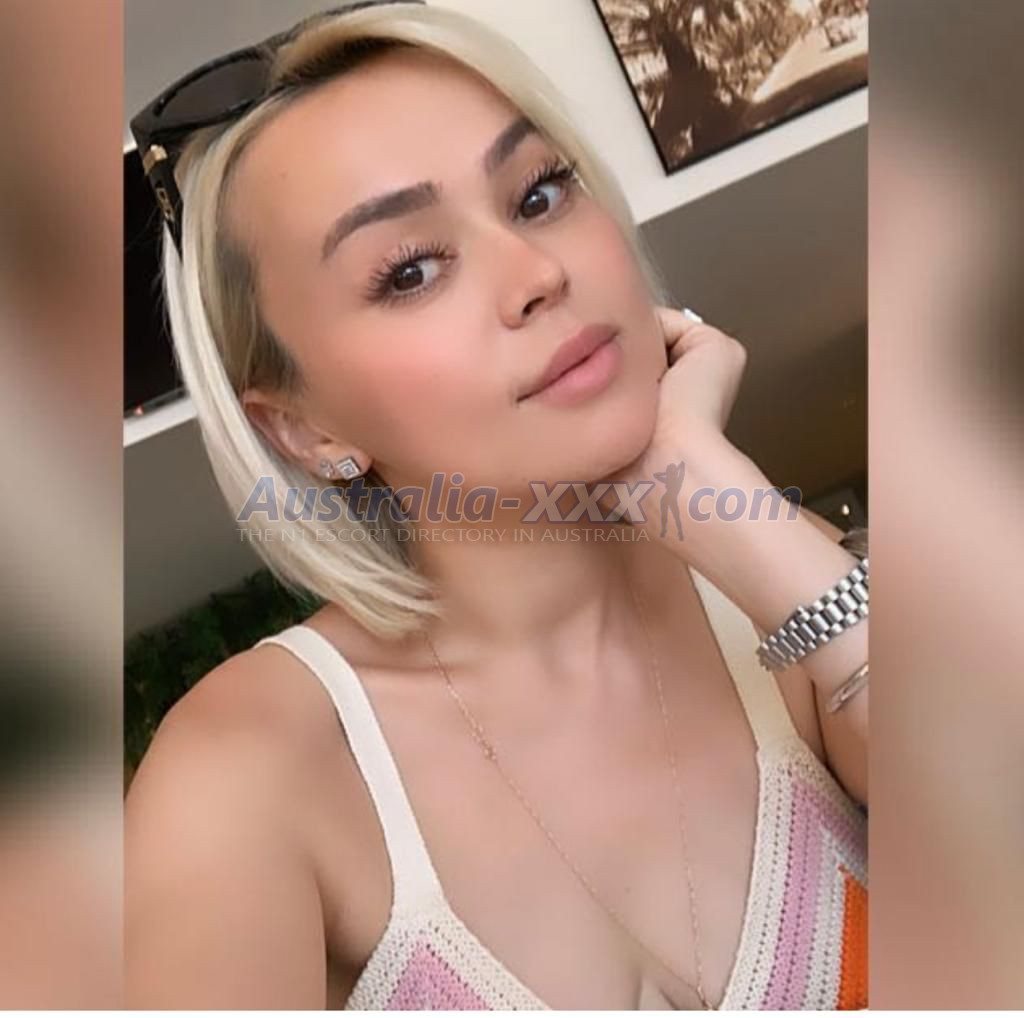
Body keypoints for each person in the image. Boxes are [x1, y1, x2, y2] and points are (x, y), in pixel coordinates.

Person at [125, 2, 867, 1009]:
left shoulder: (778, 588)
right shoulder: (245, 773)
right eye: (409, 271)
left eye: (538, 193)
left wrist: (728, 506)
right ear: (303, 430)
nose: (538, 273)